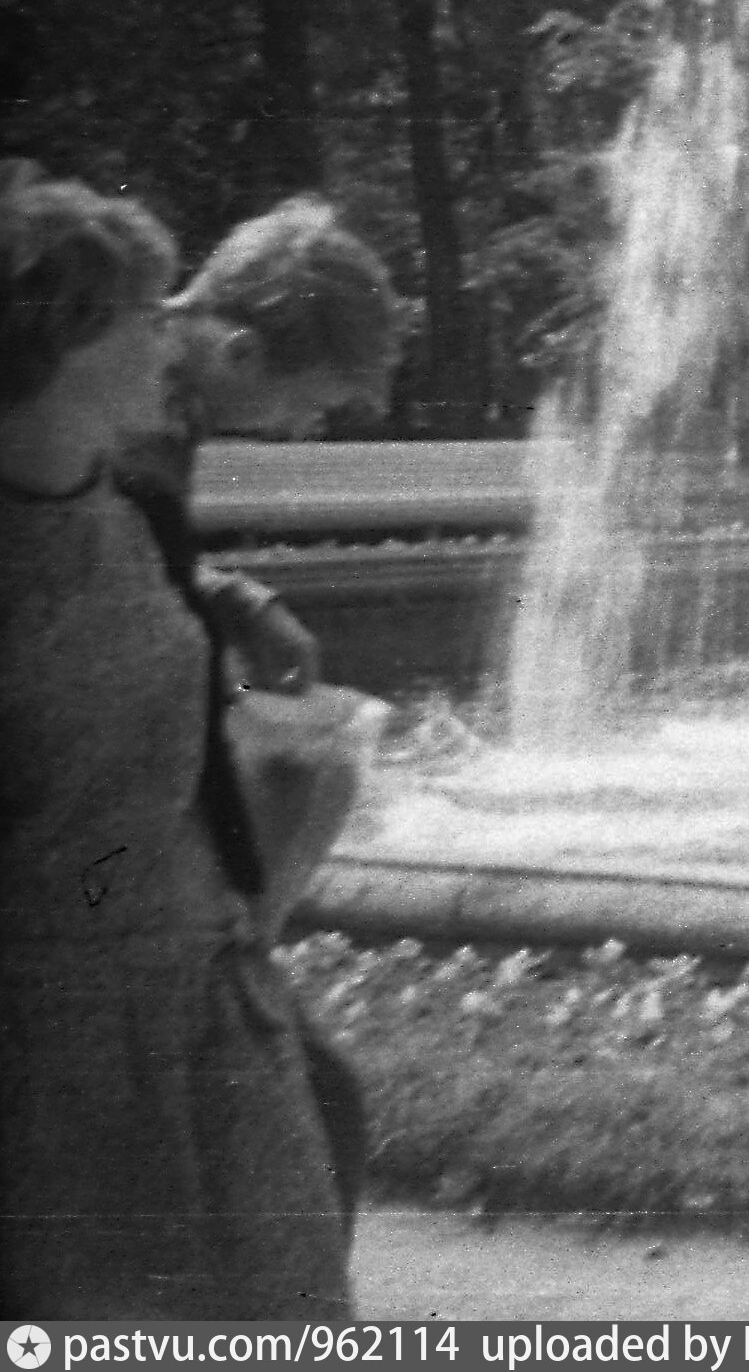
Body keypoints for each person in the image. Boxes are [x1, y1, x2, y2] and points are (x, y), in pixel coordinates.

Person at [0, 172, 354, 1316]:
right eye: (139, 318)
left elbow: (133, 761)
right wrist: (115, 898)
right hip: (67, 1017)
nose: (169, 336)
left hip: (193, 976)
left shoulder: (119, 512)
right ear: (57, 345)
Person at [110, 194, 401, 1219]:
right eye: (304, 403)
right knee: (306, 1112)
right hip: (101, 870)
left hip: (114, 858)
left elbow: (119, 563)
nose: (299, 429)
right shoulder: (122, 409)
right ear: (239, 349)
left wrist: (232, 597)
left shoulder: (138, 390)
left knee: (306, 1106)